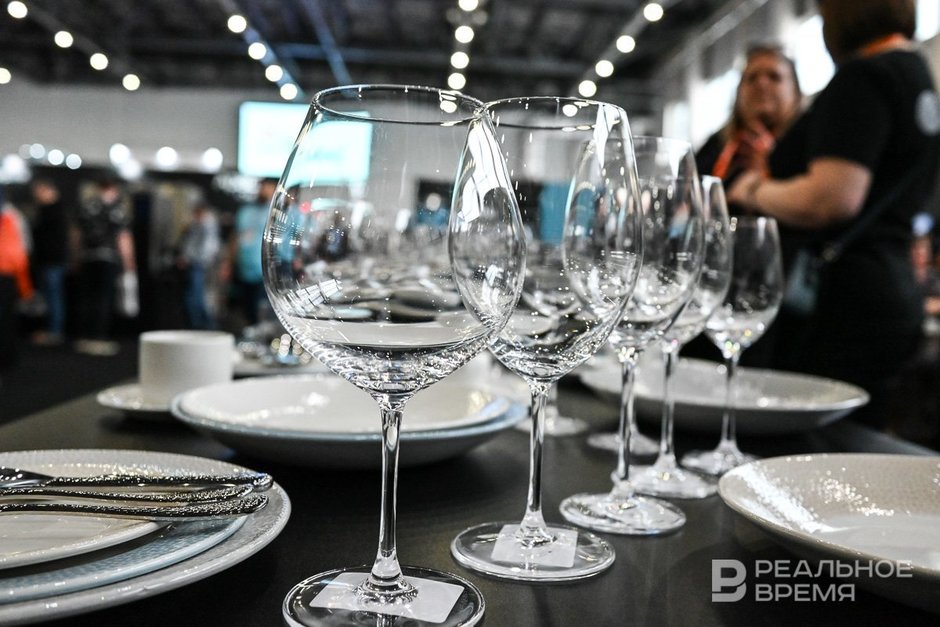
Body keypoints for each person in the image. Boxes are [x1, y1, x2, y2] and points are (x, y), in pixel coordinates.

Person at [727, 0, 940, 428]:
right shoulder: (917, 77)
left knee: (814, 440)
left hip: (842, 304)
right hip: (891, 290)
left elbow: (829, 199)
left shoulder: (864, 76)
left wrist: (751, 189)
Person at [696, 44, 803, 189]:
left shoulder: (812, 146)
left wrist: (772, 167)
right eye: (752, 78)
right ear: (738, 92)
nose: (761, 84)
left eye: (774, 77)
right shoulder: (714, 147)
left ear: (795, 92)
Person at [73, 177, 136, 356]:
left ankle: (86, 336)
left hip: (88, 257)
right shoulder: (117, 209)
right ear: (113, 189)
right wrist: (129, 261)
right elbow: (123, 237)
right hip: (108, 257)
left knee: (88, 297)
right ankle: (98, 337)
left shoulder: (87, 206)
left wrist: (76, 257)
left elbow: (76, 235)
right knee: (103, 298)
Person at [221, 177, 276, 327]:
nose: (264, 190)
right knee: (246, 306)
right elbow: (235, 237)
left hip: (264, 269)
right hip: (244, 266)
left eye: (268, 187)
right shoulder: (246, 211)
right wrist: (228, 263)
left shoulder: (275, 212)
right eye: (262, 187)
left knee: (262, 307)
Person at [29, 178, 72, 346]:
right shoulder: (44, 211)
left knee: (54, 296)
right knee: (48, 297)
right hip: (46, 261)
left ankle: (54, 331)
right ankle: (50, 330)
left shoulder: (55, 212)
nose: (37, 195)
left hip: (53, 261)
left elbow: (56, 240)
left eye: (40, 191)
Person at [0, 185, 35, 372]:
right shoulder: (12, 218)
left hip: (6, 273)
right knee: (6, 318)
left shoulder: (10, 218)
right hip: (7, 274)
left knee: (6, 318)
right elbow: (21, 251)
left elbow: (18, 251)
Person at [176, 201, 221, 329]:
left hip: (198, 264)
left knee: (196, 297)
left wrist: (189, 258)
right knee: (195, 296)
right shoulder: (198, 225)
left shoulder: (206, 226)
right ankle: (201, 325)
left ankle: (202, 326)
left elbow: (207, 247)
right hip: (197, 264)